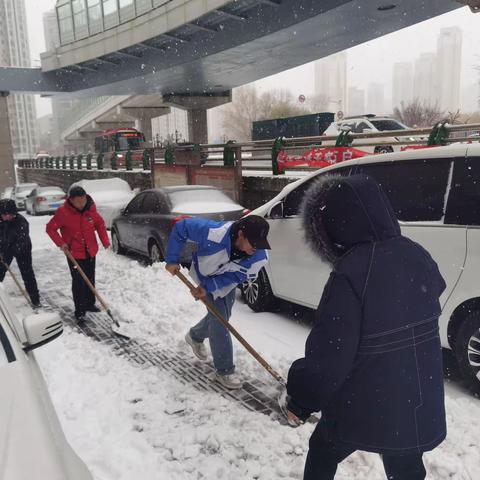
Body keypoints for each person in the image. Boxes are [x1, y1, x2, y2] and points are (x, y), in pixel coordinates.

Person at [283, 174, 447, 480]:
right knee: (406, 465)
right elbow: (434, 291)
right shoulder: (416, 253)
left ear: (334, 225)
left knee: (322, 448)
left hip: (368, 400)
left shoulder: (351, 273)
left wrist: (301, 398)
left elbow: (330, 358)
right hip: (417, 397)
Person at [165, 215, 270, 390]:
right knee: (220, 321)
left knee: (221, 316)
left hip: (225, 282)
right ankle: (224, 370)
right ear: (241, 235)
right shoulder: (213, 233)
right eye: (254, 242)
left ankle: (195, 336)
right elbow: (181, 227)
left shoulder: (258, 257)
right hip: (204, 273)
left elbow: (238, 275)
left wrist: (210, 287)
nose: (256, 248)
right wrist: (172, 259)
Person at [46, 186, 110, 322]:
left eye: (83, 199)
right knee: (78, 282)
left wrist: (105, 241)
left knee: (90, 278)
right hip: (73, 253)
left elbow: (100, 224)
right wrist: (61, 243)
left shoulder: (91, 210)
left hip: (90, 250)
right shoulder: (63, 212)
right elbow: (50, 229)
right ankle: (80, 310)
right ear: (71, 200)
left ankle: (90, 304)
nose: (81, 203)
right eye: (78, 201)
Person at [0, 199, 41, 307]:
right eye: (5, 214)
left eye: (10, 214)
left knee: (27, 273)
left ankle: (35, 299)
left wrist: (9, 251)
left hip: (22, 248)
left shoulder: (21, 222)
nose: (8, 217)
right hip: (4, 248)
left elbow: (21, 241)